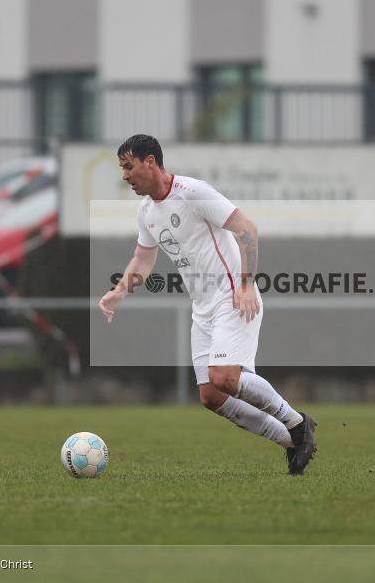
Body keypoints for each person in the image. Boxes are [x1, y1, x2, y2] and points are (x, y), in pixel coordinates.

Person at [99, 134, 318, 475]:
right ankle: (292, 441)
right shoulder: (147, 212)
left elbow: (247, 228)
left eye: (129, 167)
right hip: (202, 309)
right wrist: (120, 291)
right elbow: (143, 259)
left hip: (233, 297)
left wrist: (246, 284)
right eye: (122, 169)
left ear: (150, 162)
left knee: (225, 378)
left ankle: (297, 423)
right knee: (211, 397)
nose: (125, 176)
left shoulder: (192, 193)